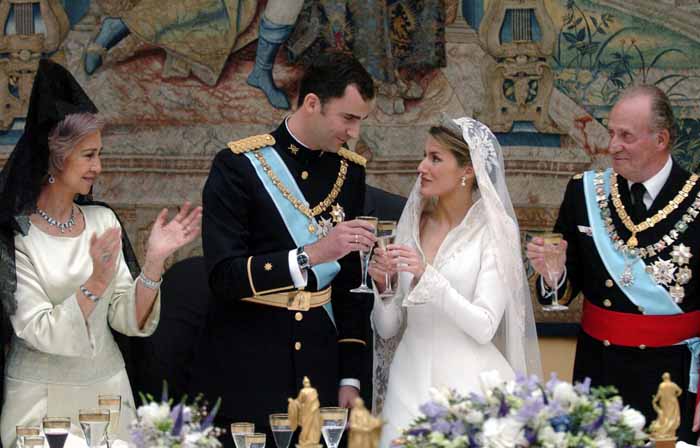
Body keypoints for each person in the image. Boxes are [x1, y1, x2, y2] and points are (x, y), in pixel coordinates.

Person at [0, 59, 202, 447]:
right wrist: (94, 281)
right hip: (40, 403)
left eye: (100, 154)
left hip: (109, 395)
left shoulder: (102, 221)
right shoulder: (15, 235)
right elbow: (37, 329)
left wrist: (155, 261)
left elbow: (128, 318)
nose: (99, 167)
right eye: (88, 155)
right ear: (55, 159)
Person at [188, 51, 376, 446]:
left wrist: (350, 375)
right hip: (248, 362)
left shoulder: (350, 171)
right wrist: (309, 256)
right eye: (348, 118)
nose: (354, 132)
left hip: (321, 366)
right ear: (312, 103)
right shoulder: (236, 166)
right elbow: (223, 276)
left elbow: (351, 287)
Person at [526, 85, 700, 443]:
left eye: (626, 136)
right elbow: (562, 287)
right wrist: (553, 275)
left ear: (661, 139)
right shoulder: (584, 192)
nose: (612, 145)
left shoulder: (697, 199)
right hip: (600, 370)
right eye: (611, 133)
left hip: (674, 379)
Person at [369, 116, 542, 445]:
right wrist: (383, 289)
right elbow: (388, 328)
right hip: (406, 384)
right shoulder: (411, 223)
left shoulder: (495, 229)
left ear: (468, 170)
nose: (422, 166)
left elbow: (485, 326)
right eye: (424, 156)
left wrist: (427, 276)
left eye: (435, 158)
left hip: (466, 390)